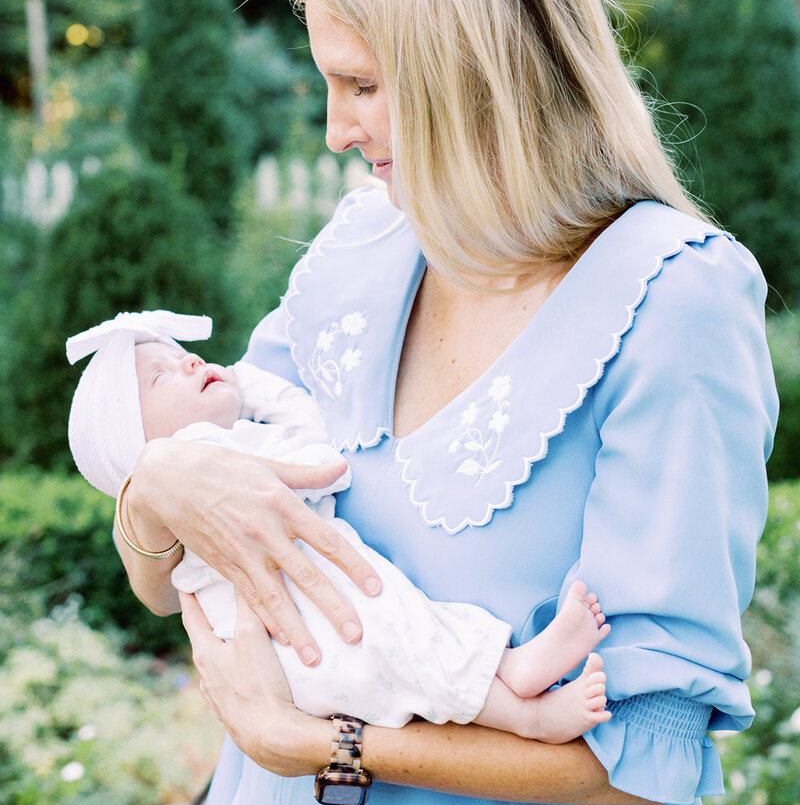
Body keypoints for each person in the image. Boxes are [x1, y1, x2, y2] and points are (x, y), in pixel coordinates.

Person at [112, 0, 777, 805]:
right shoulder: (357, 248)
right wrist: (155, 487)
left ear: (475, 71)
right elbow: (179, 574)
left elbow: (648, 745)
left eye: (363, 85)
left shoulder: (674, 296)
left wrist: (323, 743)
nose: (335, 127)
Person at [66, 309, 610, 742]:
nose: (191, 365)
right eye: (161, 377)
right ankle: (523, 710)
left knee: (404, 650)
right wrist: (255, 388)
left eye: (187, 356)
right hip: (301, 629)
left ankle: (512, 682)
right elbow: (319, 464)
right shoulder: (212, 453)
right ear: (135, 445)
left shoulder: (208, 456)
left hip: (289, 639)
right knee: (398, 647)